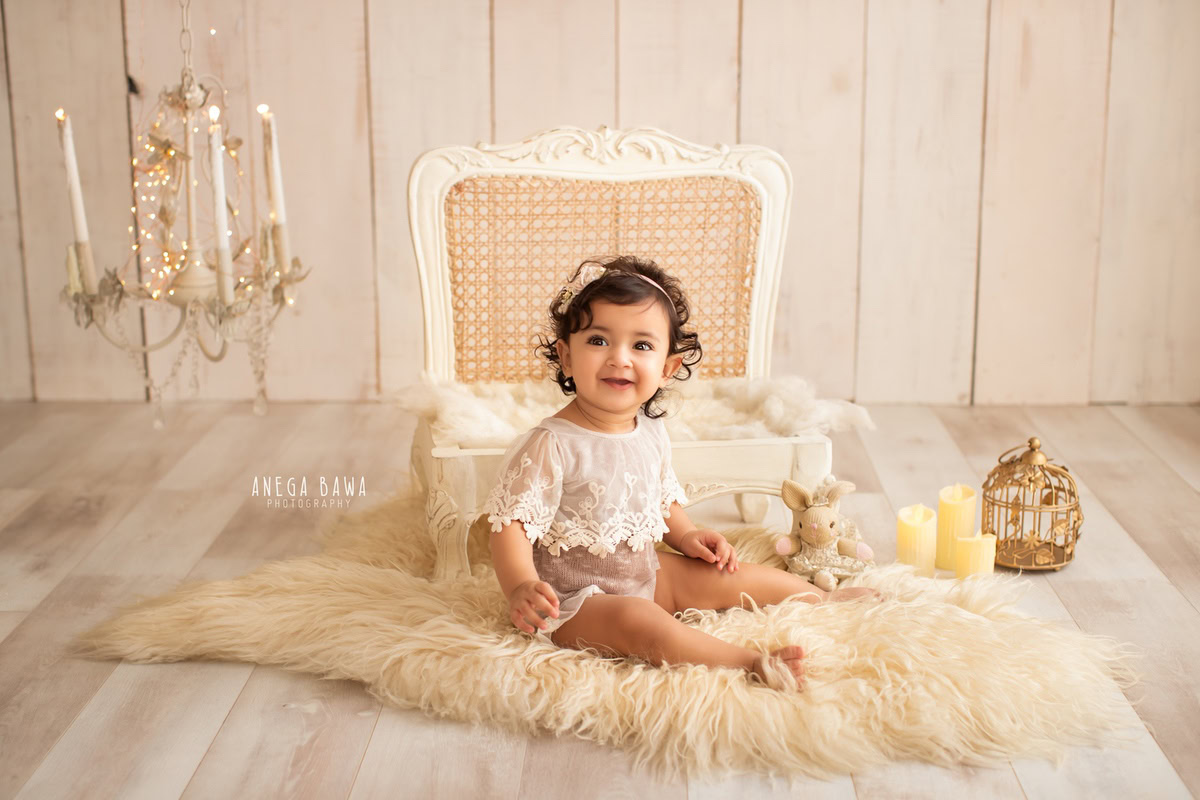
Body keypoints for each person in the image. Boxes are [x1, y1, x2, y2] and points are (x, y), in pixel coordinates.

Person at [484, 255, 880, 692]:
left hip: (644, 573)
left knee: (726, 576)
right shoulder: (552, 444)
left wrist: (687, 535)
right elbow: (511, 527)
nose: (619, 358)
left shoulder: (650, 432)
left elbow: (659, 500)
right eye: (598, 341)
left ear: (668, 368)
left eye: (641, 346)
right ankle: (749, 663)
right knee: (641, 623)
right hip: (574, 601)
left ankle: (821, 597)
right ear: (566, 356)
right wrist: (521, 585)